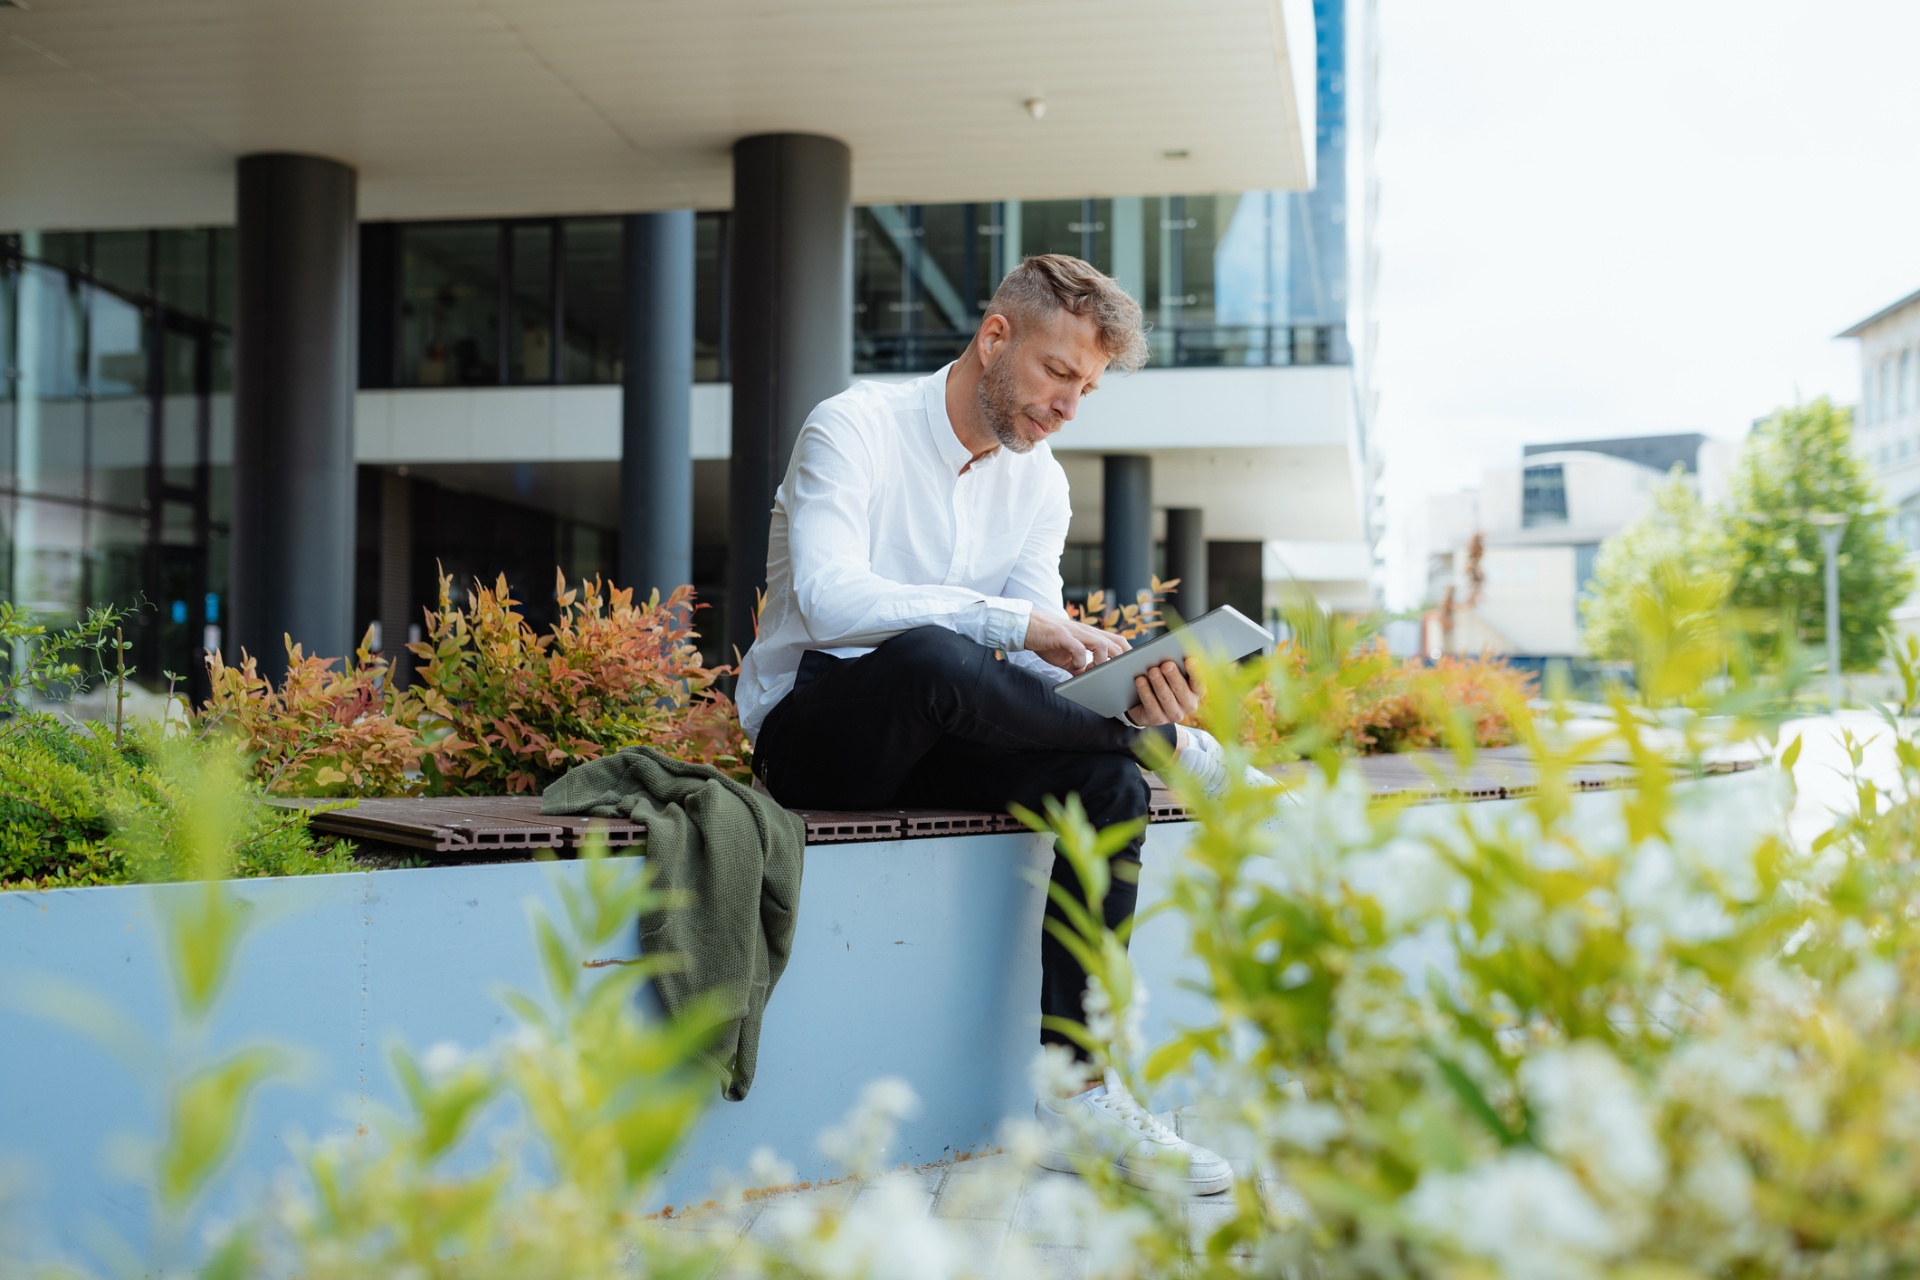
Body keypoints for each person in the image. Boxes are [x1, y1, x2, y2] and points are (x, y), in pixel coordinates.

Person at [738, 254, 1259, 1196]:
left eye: (1087, 389)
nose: (1068, 406)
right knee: (935, 652)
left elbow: (1024, 660)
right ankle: (1173, 755)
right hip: (818, 734)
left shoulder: (1039, 484)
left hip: (945, 733)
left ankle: (1080, 1097)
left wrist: (1110, 677)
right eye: (1059, 375)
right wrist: (1012, 623)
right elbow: (827, 597)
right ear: (994, 338)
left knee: (1104, 786)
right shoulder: (853, 427)